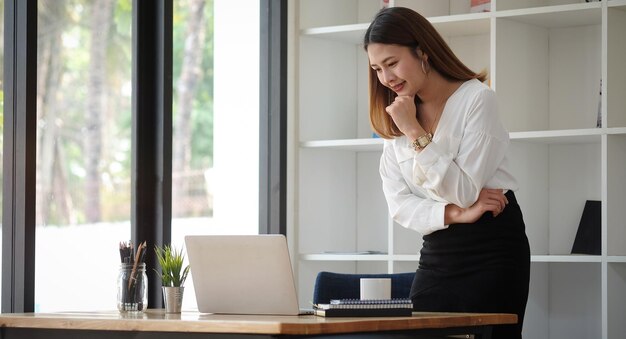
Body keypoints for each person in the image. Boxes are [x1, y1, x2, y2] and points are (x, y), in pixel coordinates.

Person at [363, 7, 531, 339]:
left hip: (492, 247)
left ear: (423, 51)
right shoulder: (395, 117)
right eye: (377, 68)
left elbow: (465, 190)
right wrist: (456, 213)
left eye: (392, 63)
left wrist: (413, 130)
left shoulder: (476, 100)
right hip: (438, 251)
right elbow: (399, 205)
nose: (386, 78)